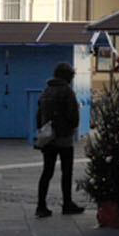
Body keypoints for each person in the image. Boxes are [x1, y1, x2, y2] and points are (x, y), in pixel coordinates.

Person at [34, 62, 85, 218]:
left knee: (47, 171)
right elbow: (73, 117)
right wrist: (71, 127)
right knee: (66, 172)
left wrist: (44, 130)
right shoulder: (67, 92)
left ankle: (41, 206)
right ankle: (67, 204)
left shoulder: (46, 91)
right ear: (68, 76)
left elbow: (38, 115)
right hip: (64, 139)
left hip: (48, 139)